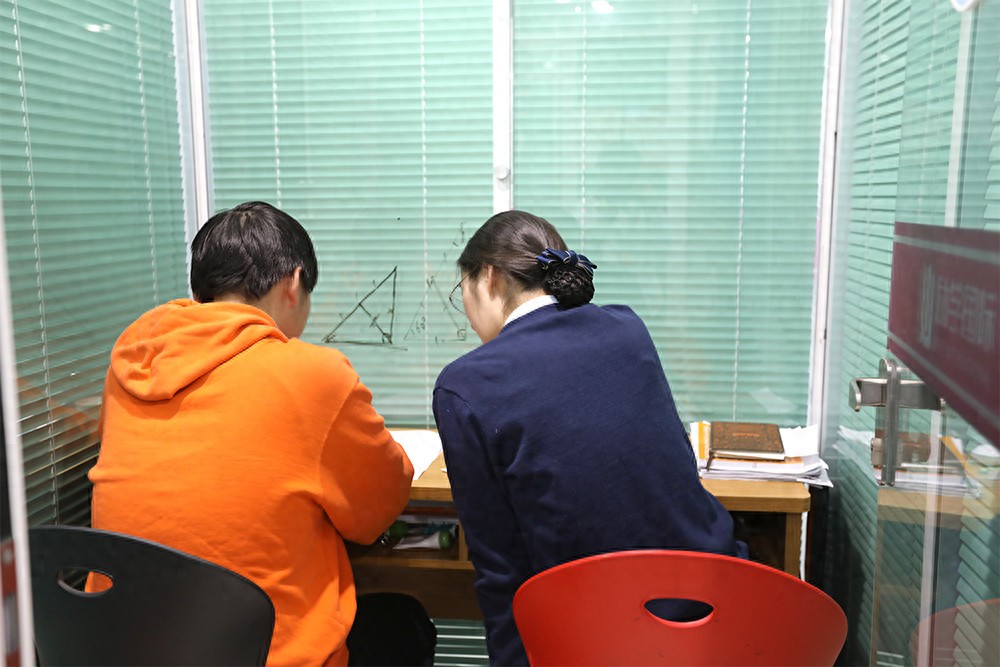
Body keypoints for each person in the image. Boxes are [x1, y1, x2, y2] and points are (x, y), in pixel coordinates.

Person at [89, 201, 434, 667]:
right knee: (404, 624)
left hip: (127, 646)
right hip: (265, 652)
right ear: (293, 283)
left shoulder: (133, 363)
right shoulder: (312, 375)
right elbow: (375, 511)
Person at [433, 210, 747, 666]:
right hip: (718, 611)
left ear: (489, 276)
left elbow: (499, 563)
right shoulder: (626, 327)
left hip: (597, 636)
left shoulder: (466, 385)